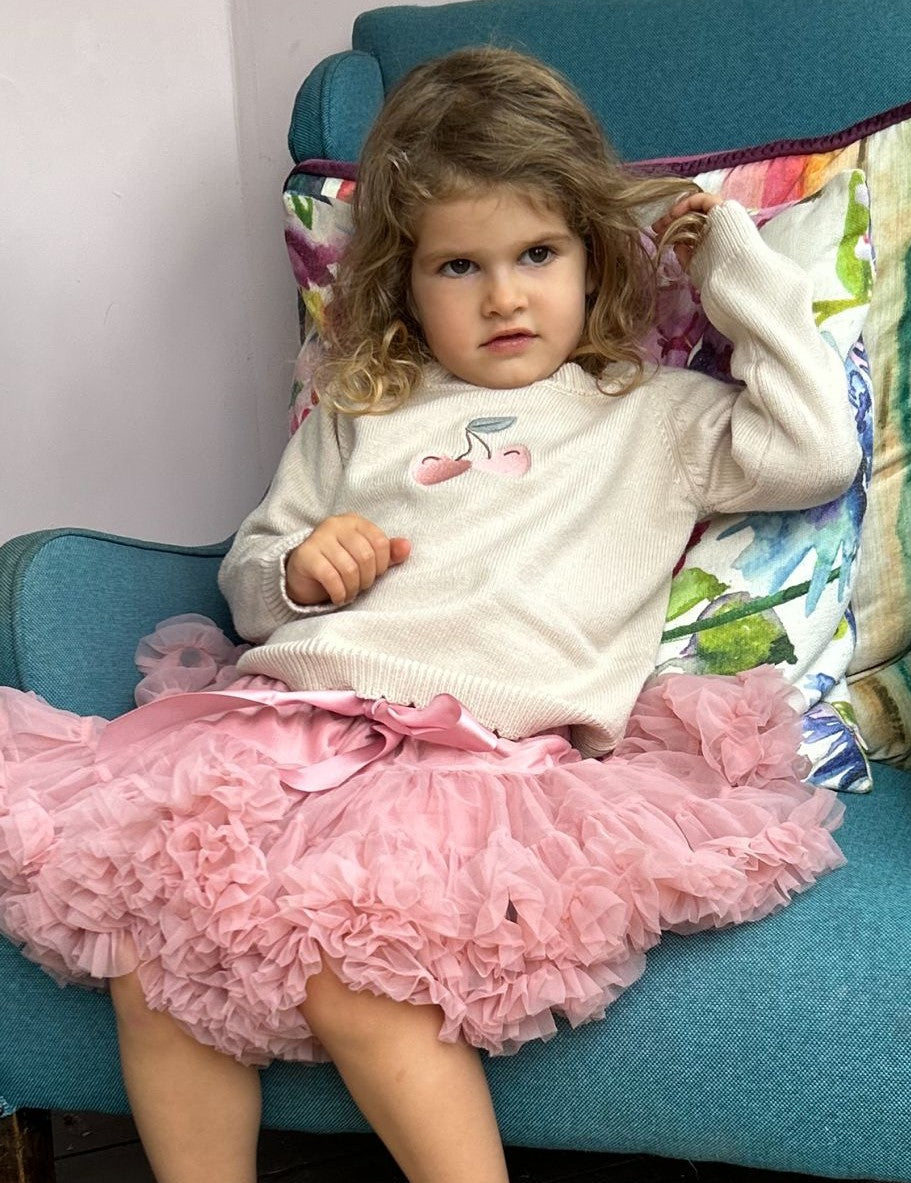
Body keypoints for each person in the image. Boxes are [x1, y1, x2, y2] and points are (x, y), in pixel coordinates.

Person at [0, 45, 861, 1183]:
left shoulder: (653, 417)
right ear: (406, 283)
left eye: (537, 254)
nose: (504, 295)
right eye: (460, 265)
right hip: (282, 725)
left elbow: (812, 448)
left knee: (364, 981)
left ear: (593, 257)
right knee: (147, 950)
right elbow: (252, 571)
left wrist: (731, 261)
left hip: (475, 761)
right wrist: (300, 569)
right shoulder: (365, 407)